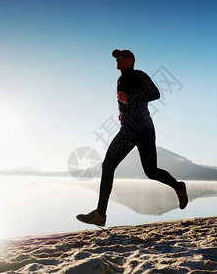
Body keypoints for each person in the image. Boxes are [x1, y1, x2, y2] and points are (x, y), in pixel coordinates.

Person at [76, 49, 188, 226]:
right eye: (116, 58)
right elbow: (126, 102)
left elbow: (155, 93)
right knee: (109, 166)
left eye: (121, 57)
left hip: (141, 129)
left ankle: (178, 187)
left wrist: (130, 99)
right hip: (129, 128)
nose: (117, 60)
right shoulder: (120, 79)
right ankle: (100, 214)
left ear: (131, 60)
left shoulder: (138, 75)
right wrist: (124, 113)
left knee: (150, 171)